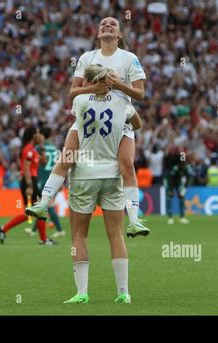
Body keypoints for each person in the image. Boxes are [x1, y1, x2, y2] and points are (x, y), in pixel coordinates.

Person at [27, 16, 150, 238]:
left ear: (119, 34)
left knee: (127, 164)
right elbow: (73, 92)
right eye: (103, 24)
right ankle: (43, 203)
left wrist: (117, 85)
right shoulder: (87, 58)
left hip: (119, 121)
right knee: (66, 157)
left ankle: (134, 220)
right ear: (98, 33)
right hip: (89, 117)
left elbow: (140, 94)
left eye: (113, 24)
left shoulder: (129, 59)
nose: (107, 25)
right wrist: (95, 88)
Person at [60, 64, 142, 304]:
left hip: (85, 174)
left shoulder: (81, 102)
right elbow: (137, 124)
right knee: (116, 234)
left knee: (78, 234)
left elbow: (72, 95)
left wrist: (86, 89)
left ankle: (82, 292)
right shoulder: (121, 103)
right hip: (113, 174)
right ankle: (123, 292)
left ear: (88, 81)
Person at [0, 127, 56, 245]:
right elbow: (26, 169)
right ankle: (43, 239)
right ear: (33, 136)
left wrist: (42, 145)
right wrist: (29, 185)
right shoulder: (28, 150)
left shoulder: (33, 150)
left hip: (31, 181)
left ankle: (4, 229)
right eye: (38, 133)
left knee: (35, 211)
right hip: (29, 181)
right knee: (37, 210)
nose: (40, 135)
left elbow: (43, 162)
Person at [26, 127, 66, 238]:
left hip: (43, 179)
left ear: (42, 135)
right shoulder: (54, 148)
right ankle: (34, 230)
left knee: (47, 204)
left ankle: (60, 229)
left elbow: (39, 162)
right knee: (43, 205)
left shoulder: (39, 148)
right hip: (55, 178)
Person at [164, 148, 193, 225]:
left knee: (182, 197)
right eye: (182, 161)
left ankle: (182, 217)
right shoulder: (175, 168)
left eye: (184, 161)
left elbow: (189, 177)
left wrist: (185, 188)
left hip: (178, 182)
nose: (183, 163)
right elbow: (170, 179)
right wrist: (170, 189)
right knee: (169, 197)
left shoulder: (186, 167)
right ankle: (170, 217)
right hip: (170, 181)